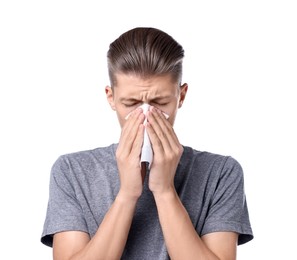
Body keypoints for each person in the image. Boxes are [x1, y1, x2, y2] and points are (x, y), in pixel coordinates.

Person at [41, 27, 253, 260]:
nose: (145, 114)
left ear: (180, 96)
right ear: (111, 97)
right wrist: (127, 194)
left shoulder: (221, 173)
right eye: (131, 103)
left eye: (159, 102)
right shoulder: (71, 171)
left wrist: (164, 191)